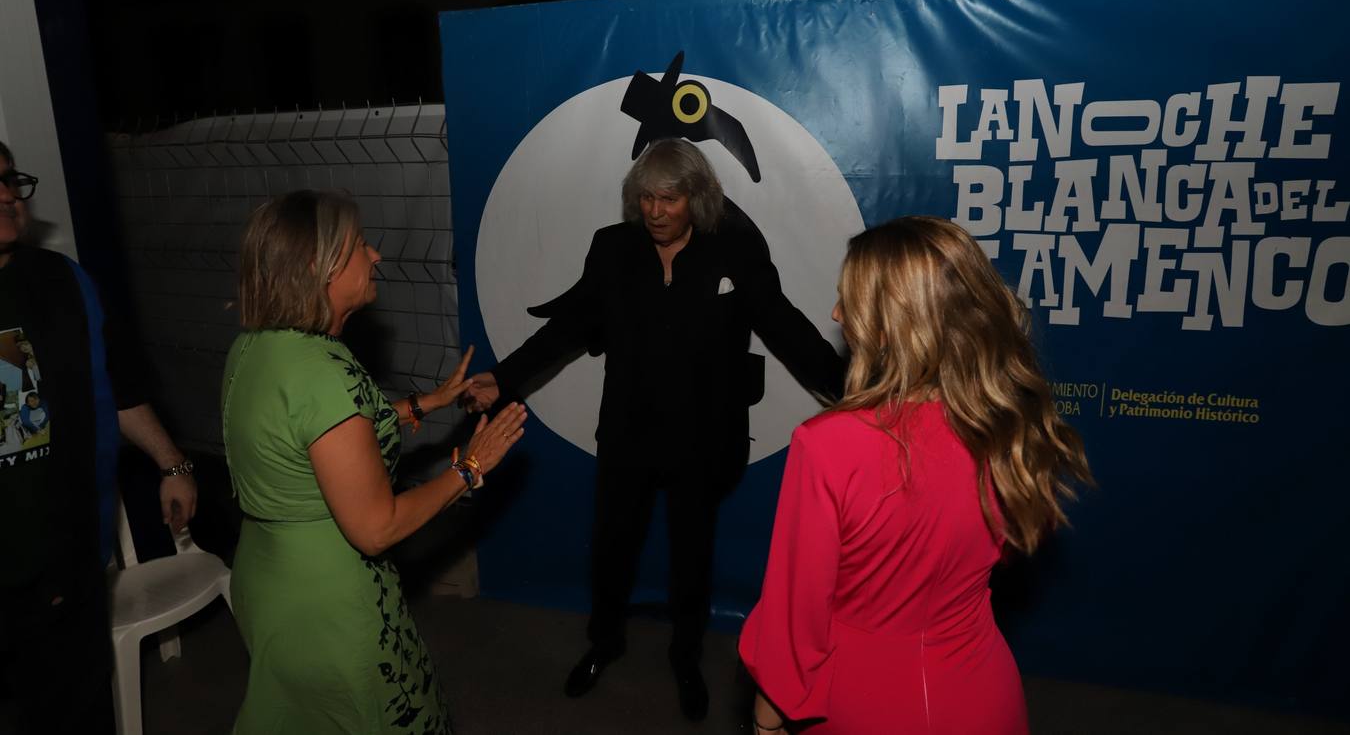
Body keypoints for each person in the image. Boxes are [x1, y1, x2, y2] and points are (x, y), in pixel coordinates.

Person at [462, 138, 844, 720]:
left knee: (693, 556)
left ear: (698, 197)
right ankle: (603, 643)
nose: (656, 211)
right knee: (612, 547)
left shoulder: (734, 251)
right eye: (645, 198)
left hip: (705, 438)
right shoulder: (612, 249)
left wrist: (850, 390)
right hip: (627, 434)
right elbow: (569, 328)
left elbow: (786, 326)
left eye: (669, 198)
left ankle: (687, 658)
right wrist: (504, 377)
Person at [739, 216, 1094, 734]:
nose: (836, 314)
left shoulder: (827, 446)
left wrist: (766, 721)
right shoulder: (1005, 427)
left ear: (891, 327)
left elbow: (797, 621)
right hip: (982, 695)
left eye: (850, 303)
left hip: (859, 702)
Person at [223, 189, 527, 734]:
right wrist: (469, 468)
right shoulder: (318, 372)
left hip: (268, 579)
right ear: (321, 267)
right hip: (328, 603)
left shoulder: (260, 346)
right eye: (361, 244)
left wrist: (422, 404)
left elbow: (321, 430)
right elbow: (376, 528)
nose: (376, 255)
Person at [0, 140, 198, 734]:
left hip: (69, 566)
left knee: (81, 710)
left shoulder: (65, 282)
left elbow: (115, 387)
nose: (7, 194)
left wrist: (173, 464)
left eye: (10, 179)